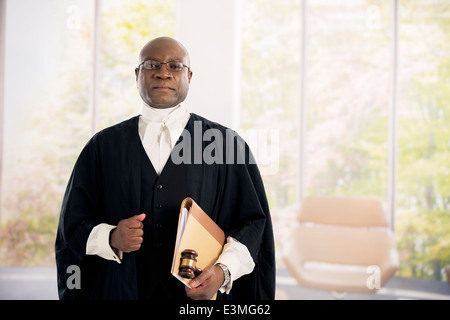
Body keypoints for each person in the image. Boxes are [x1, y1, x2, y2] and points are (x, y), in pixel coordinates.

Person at [55, 36, 276, 300]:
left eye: (175, 66)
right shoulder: (102, 147)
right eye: (151, 65)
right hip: (122, 291)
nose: (163, 73)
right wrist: (111, 237)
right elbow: (73, 223)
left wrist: (222, 272)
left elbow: (253, 224)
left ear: (189, 76)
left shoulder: (225, 145)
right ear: (137, 74)